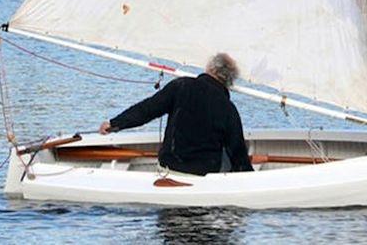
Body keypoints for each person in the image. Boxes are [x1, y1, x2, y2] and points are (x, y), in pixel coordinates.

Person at [99, 53, 253, 176]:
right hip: (203, 175)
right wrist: (250, 178)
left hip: (170, 168)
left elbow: (146, 110)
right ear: (230, 80)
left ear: (209, 68)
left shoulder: (181, 86)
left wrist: (115, 123)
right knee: (228, 151)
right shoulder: (228, 108)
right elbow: (238, 152)